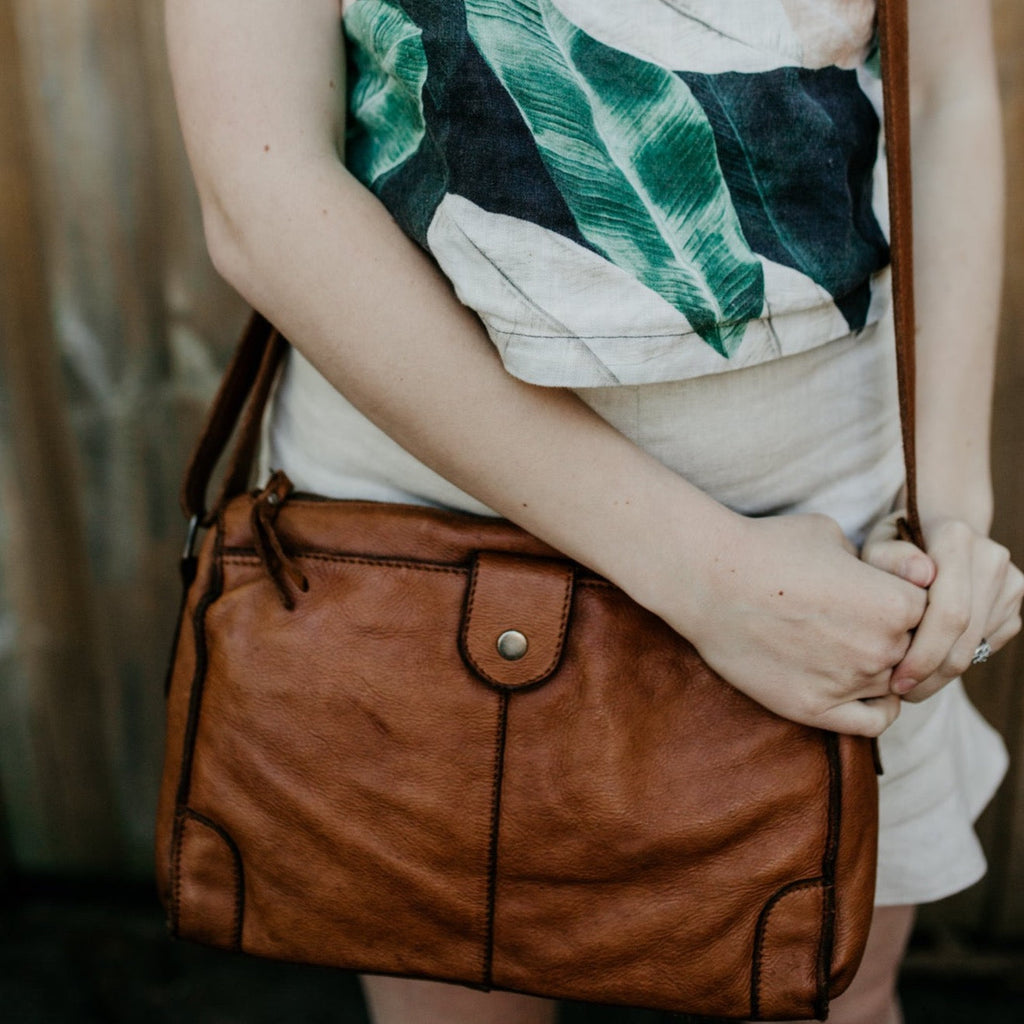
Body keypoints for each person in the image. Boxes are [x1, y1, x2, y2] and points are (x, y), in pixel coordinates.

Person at [165, 1, 1023, 1021]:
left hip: (829, 544)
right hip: (422, 532)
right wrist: (705, 576)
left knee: (831, 995)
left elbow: (942, 94)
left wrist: (949, 513)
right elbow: (261, 186)